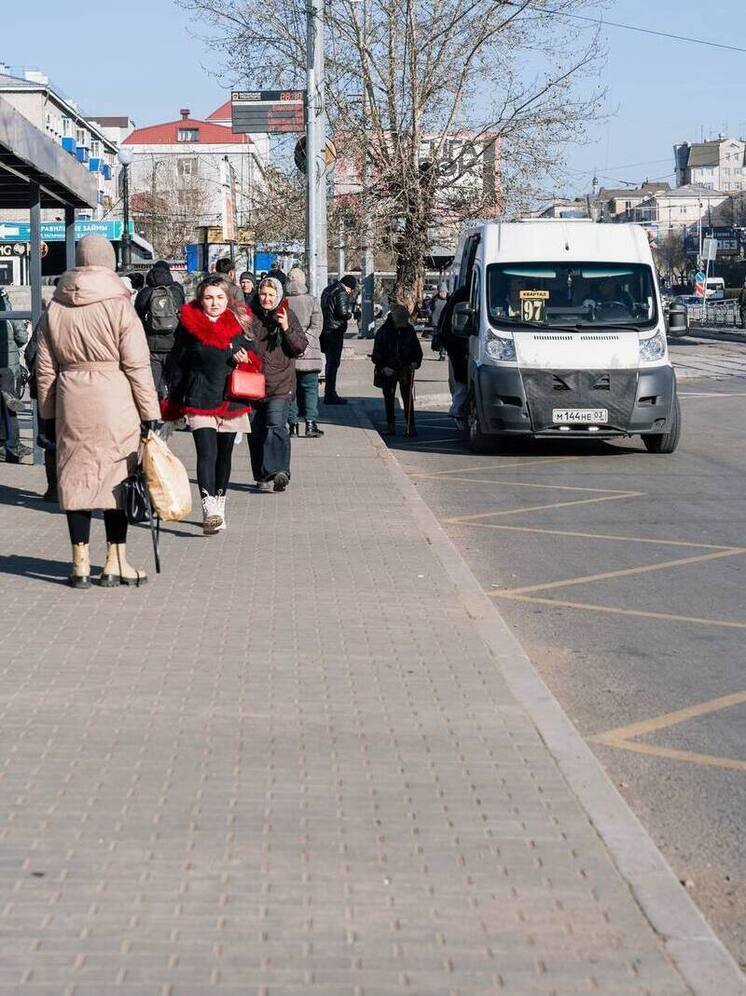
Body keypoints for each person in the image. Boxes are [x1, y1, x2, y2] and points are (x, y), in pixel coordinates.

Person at [35, 235, 162, 589]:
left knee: (75, 480)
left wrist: (48, 414)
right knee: (117, 479)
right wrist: (150, 413)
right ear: (108, 262)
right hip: (114, 398)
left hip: (71, 398)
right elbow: (137, 365)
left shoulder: (56, 305)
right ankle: (113, 563)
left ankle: (79, 565)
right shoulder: (120, 304)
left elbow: (45, 368)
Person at [162, 275, 258, 534]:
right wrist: (172, 404)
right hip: (200, 398)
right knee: (206, 453)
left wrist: (246, 359)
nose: (214, 303)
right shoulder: (189, 325)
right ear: (200, 299)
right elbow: (176, 364)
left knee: (223, 457)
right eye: (208, 298)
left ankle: (220, 503)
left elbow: (256, 356)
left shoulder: (239, 322)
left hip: (231, 401)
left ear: (227, 299)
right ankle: (209, 509)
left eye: (219, 298)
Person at [246, 277, 307, 492]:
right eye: (263, 294)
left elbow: (299, 347)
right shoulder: (248, 315)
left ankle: (279, 471)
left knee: (276, 426)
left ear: (278, 296)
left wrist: (286, 328)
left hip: (280, 383)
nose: (267, 298)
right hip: (251, 383)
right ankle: (262, 475)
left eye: (271, 295)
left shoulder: (286, 315)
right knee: (256, 431)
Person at [134, 260, 185, 398]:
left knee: (152, 385)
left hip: (151, 345)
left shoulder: (145, 293)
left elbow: (136, 316)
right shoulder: (176, 291)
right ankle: (173, 413)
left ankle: (155, 413)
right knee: (174, 381)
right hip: (173, 344)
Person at [372, 304, 422, 437]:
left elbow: (417, 350)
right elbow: (376, 354)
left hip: (405, 368)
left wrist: (415, 362)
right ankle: (390, 426)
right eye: (402, 323)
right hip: (389, 369)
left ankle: (410, 426)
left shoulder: (409, 330)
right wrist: (383, 368)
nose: (404, 325)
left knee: (407, 398)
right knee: (389, 399)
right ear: (395, 320)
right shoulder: (383, 332)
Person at [285, 267, 324, 438]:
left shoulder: (283, 301)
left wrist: (294, 343)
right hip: (310, 354)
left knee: (290, 390)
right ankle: (310, 424)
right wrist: (305, 343)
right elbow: (317, 326)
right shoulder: (312, 301)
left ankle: (292, 425)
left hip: (288, 351)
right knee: (310, 389)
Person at [0, 288, 30, 463]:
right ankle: (12, 445)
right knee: (9, 408)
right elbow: (21, 336)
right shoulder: (6, 305)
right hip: (7, 366)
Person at [320, 274, 357, 404]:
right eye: (351, 290)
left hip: (326, 329)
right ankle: (330, 394)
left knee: (330, 362)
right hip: (334, 331)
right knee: (333, 363)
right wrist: (350, 314)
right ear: (349, 287)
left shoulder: (328, 289)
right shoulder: (341, 292)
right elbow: (342, 312)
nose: (350, 292)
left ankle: (329, 393)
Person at [438, 285, 470, 428]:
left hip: (456, 344)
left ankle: (458, 411)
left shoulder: (458, 295)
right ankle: (457, 411)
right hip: (459, 344)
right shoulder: (463, 296)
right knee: (462, 382)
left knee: (460, 382)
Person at [429, 284, 448, 360]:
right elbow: (430, 309)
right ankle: (439, 350)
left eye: (444, 292)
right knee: (437, 338)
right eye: (440, 291)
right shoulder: (434, 300)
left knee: (443, 338)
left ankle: (442, 353)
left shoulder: (449, 300)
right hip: (436, 322)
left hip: (445, 322)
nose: (442, 293)